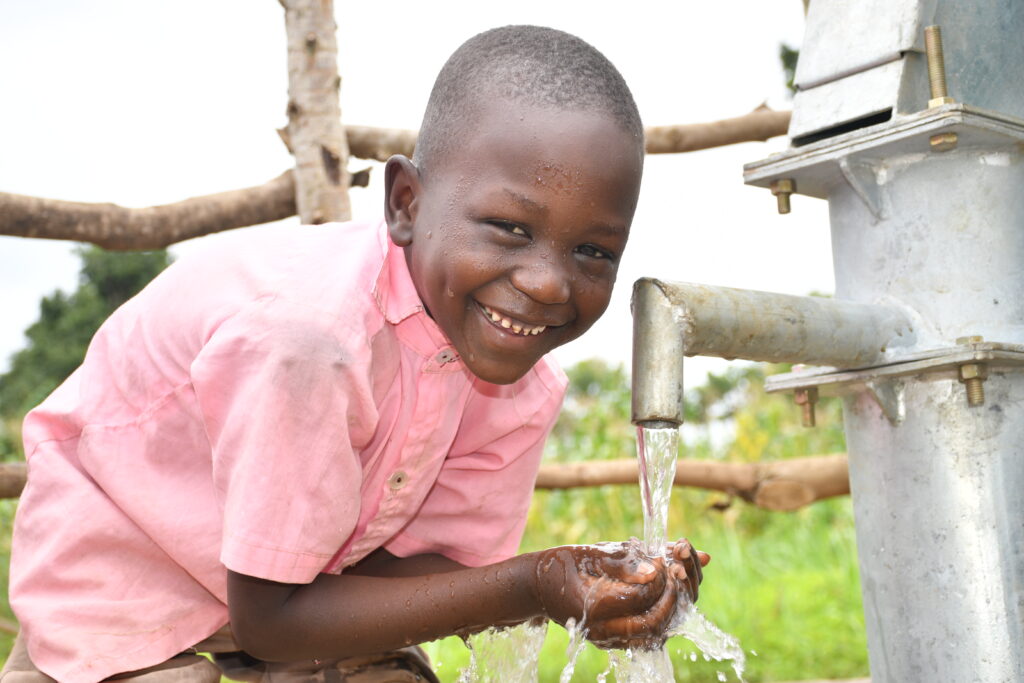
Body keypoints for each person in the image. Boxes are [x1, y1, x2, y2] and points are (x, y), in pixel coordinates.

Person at [2, 25, 709, 683]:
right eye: (508, 227)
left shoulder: (521, 390)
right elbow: (273, 616)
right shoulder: (310, 341)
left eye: (592, 251)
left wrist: (590, 582)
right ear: (406, 201)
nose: (549, 281)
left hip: (293, 589)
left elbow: (420, 574)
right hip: (122, 574)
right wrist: (531, 583)